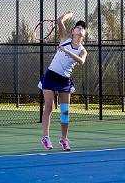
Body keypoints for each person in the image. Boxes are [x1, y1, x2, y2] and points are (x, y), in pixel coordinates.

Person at [38, 12, 87, 151]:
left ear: (84, 34)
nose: (80, 29)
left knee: (65, 111)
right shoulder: (65, 37)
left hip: (64, 80)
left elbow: (81, 61)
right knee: (49, 106)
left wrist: (67, 51)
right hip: (51, 76)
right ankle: (45, 137)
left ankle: (64, 139)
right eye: (78, 27)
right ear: (72, 31)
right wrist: (69, 14)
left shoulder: (83, 50)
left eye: (82, 28)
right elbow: (60, 20)